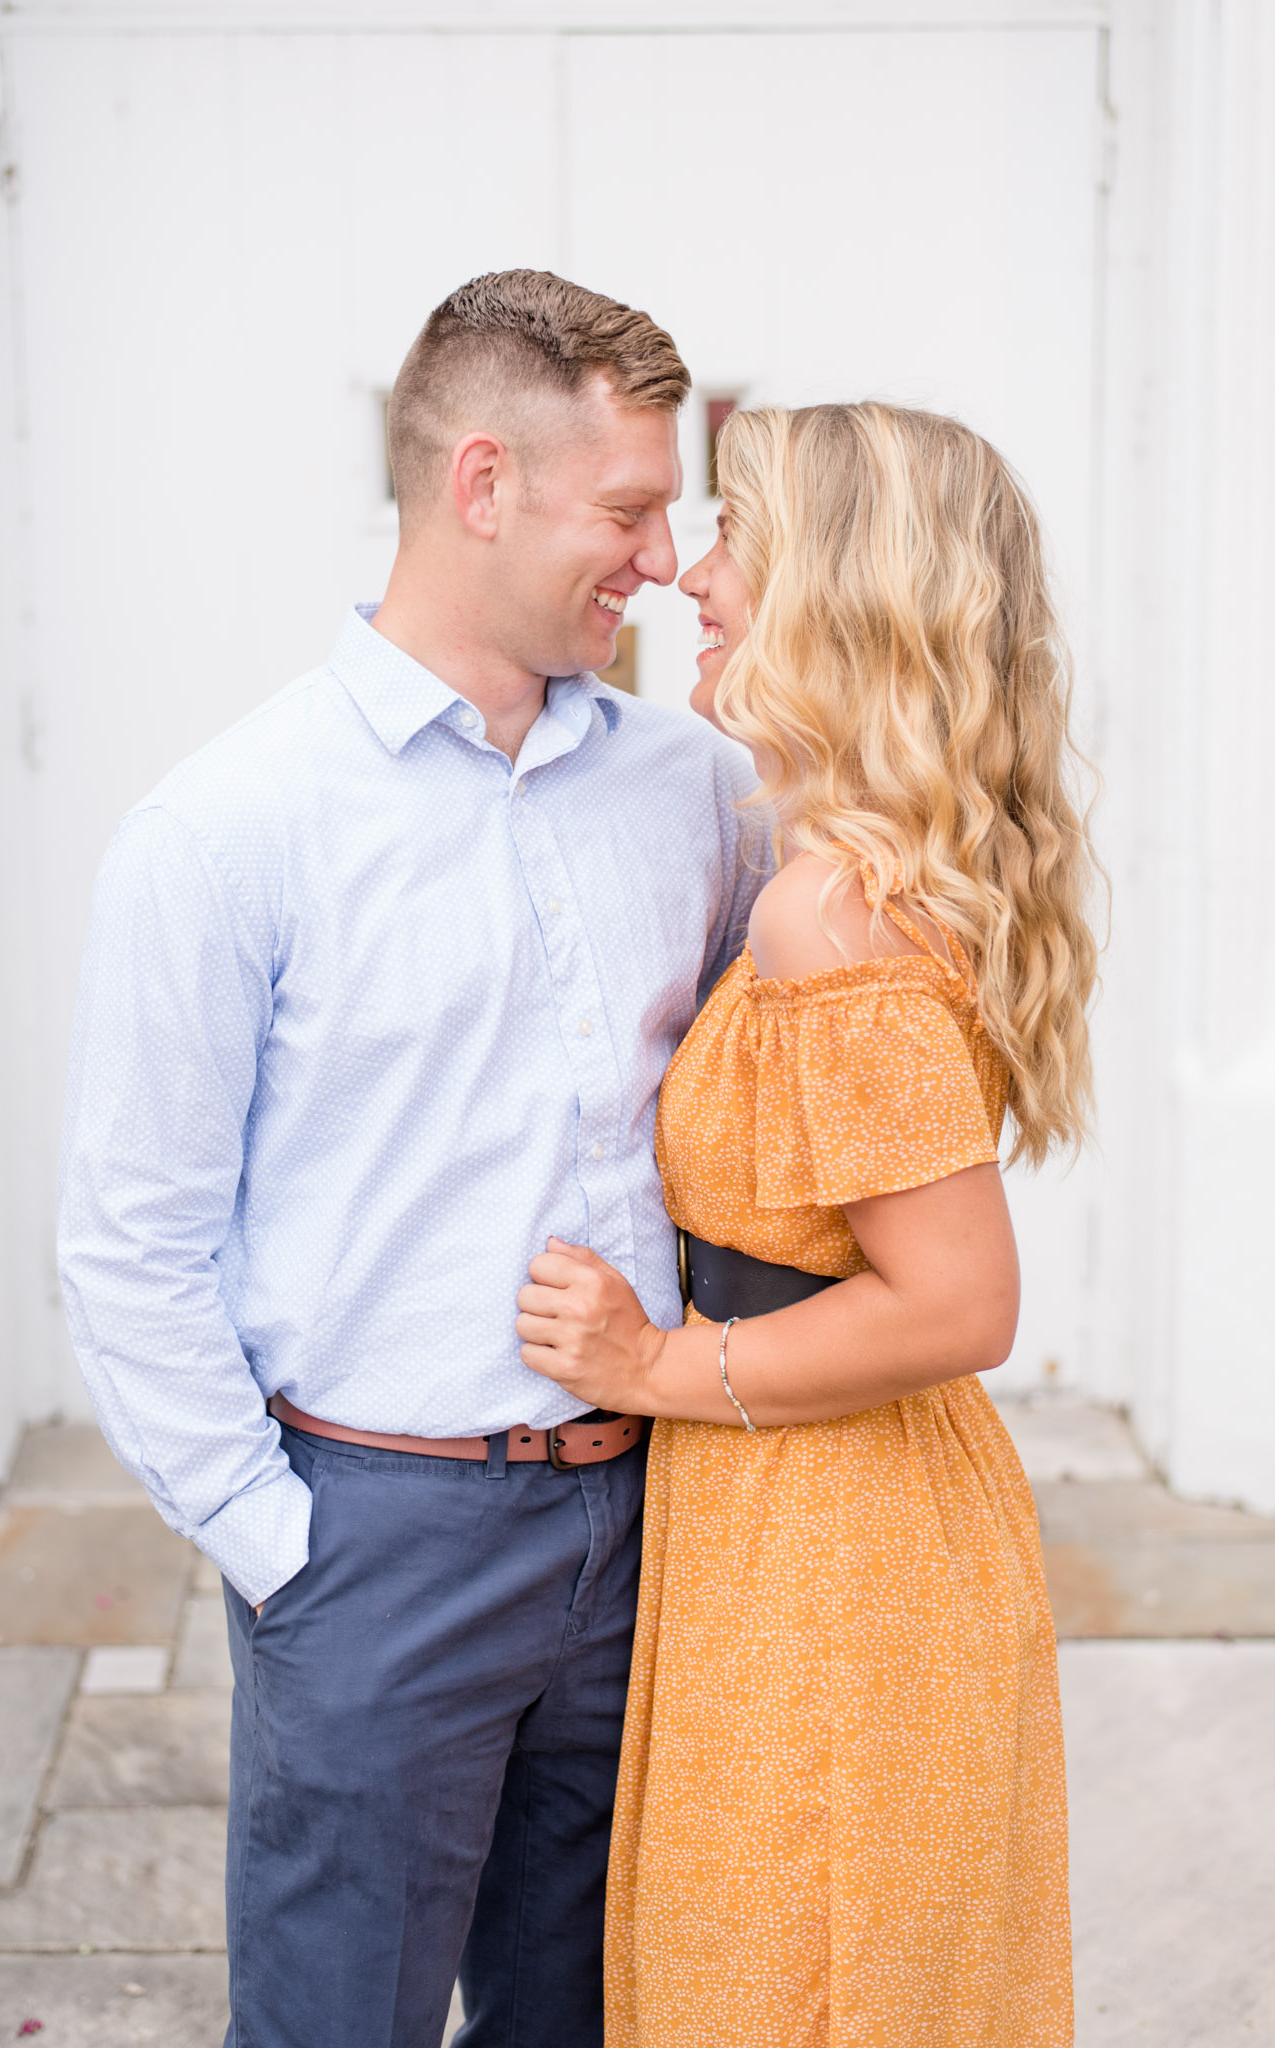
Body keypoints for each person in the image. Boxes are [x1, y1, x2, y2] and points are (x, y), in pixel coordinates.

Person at [56, 270, 768, 2048]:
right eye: (625, 507)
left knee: (595, 2014)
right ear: (480, 485)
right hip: (375, 1540)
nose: (664, 556)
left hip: (648, 1514)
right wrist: (279, 1548)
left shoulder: (700, 794)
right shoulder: (225, 833)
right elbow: (128, 1244)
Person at [516, 401, 1099, 2048]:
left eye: (737, 542)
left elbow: (958, 1301)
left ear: (839, 591)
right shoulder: (865, 868)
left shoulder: (827, 914)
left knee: (787, 1975)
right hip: (841, 1508)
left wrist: (652, 1360)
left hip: (835, 1542)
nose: (693, 575)